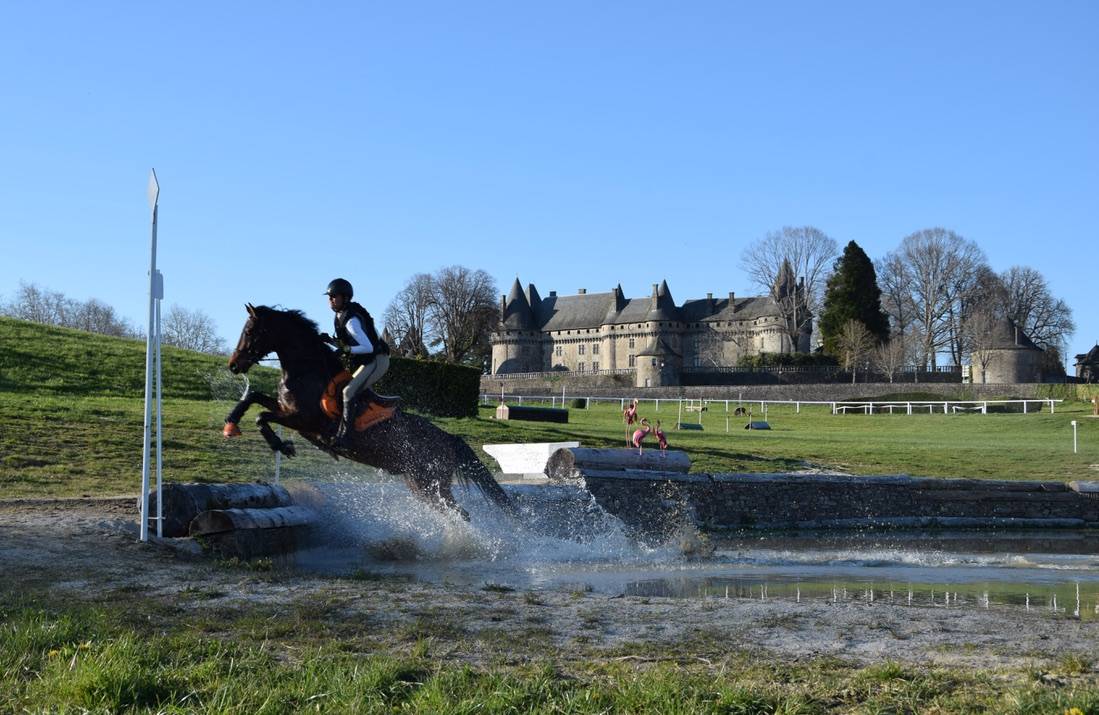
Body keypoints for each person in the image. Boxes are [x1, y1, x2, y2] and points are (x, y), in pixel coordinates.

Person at [320, 278, 391, 446]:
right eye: (329, 296)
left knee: (347, 392)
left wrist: (345, 350)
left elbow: (366, 347)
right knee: (346, 386)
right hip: (370, 360)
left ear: (344, 298)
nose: (330, 300)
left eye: (334, 296)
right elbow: (348, 345)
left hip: (377, 360)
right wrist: (330, 341)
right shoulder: (340, 316)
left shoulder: (351, 320)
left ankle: (346, 435)